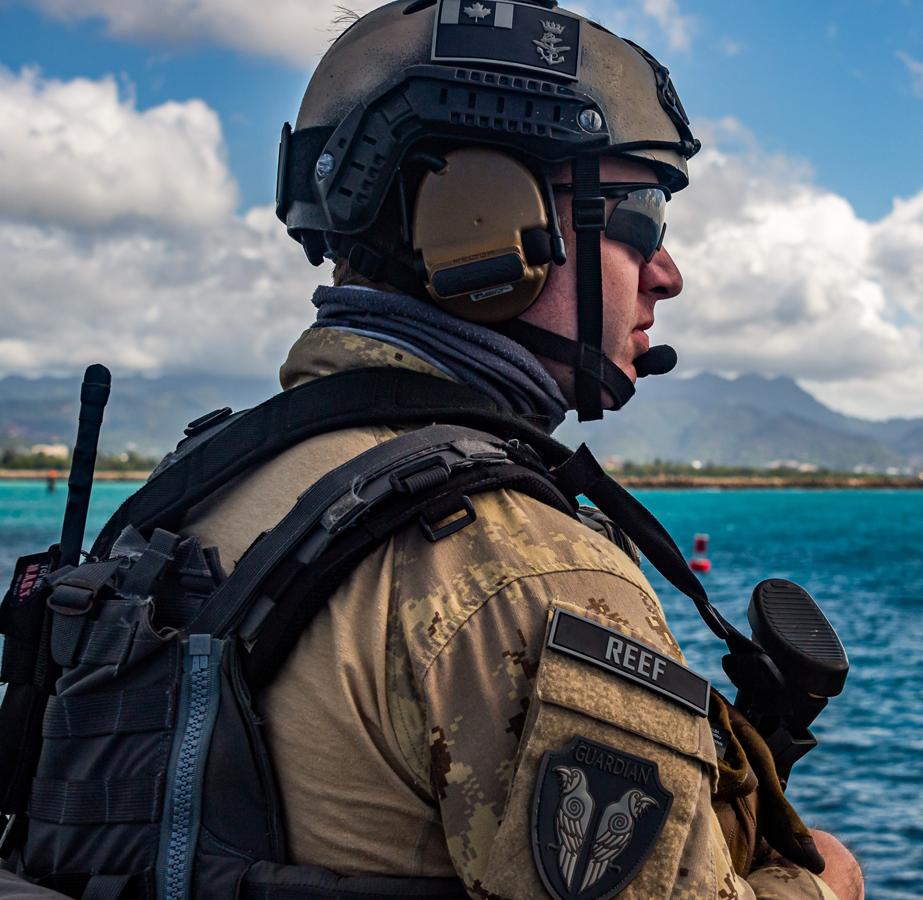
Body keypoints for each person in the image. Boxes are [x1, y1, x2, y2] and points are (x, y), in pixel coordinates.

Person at [176, 2, 865, 899]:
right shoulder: (520, 574)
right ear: (488, 222)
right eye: (643, 217)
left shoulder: (200, 487)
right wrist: (825, 889)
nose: (668, 273)